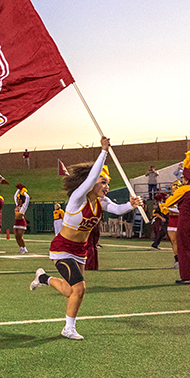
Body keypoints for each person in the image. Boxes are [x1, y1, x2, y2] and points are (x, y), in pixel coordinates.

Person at [29, 136, 142, 340]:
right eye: (103, 182)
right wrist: (104, 151)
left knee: (69, 290)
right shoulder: (77, 198)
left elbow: (117, 209)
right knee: (79, 289)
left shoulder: (102, 201)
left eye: (108, 183)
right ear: (91, 182)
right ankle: (68, 328)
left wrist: (131, 205)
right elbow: (91, 178)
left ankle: (43, 278)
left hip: (80, 251)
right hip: (62, 248)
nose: (107, 186)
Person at [161, 149, 190, 284]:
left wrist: (163, 207)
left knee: (184, 247)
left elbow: (169, 202)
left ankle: (186, 277)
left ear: (186, 179)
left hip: (185, 220)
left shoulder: (183, 190)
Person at [161, 181, 181, 269]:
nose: (174, 188)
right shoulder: (170, 198)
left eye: (176, 187)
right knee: (173, 242)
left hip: (180, 222)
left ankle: (183, 260)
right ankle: (177, 260)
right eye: (174, 187)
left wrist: (170, 210)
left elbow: (181, 211)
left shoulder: (182, 197)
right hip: (172, 222)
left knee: (181, 242)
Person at [13, 183, 30, 254]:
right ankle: (21, 248)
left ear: (21, 200)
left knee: (20, 236)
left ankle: (24, 248)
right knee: (16, 237)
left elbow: (28, 198)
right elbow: (14, 196)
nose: (17, 200)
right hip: (16, 222)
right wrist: (18, 189)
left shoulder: (24, 206)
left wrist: (24, 192)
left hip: (21, 222)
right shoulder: (17, 205)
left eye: (18, 199)